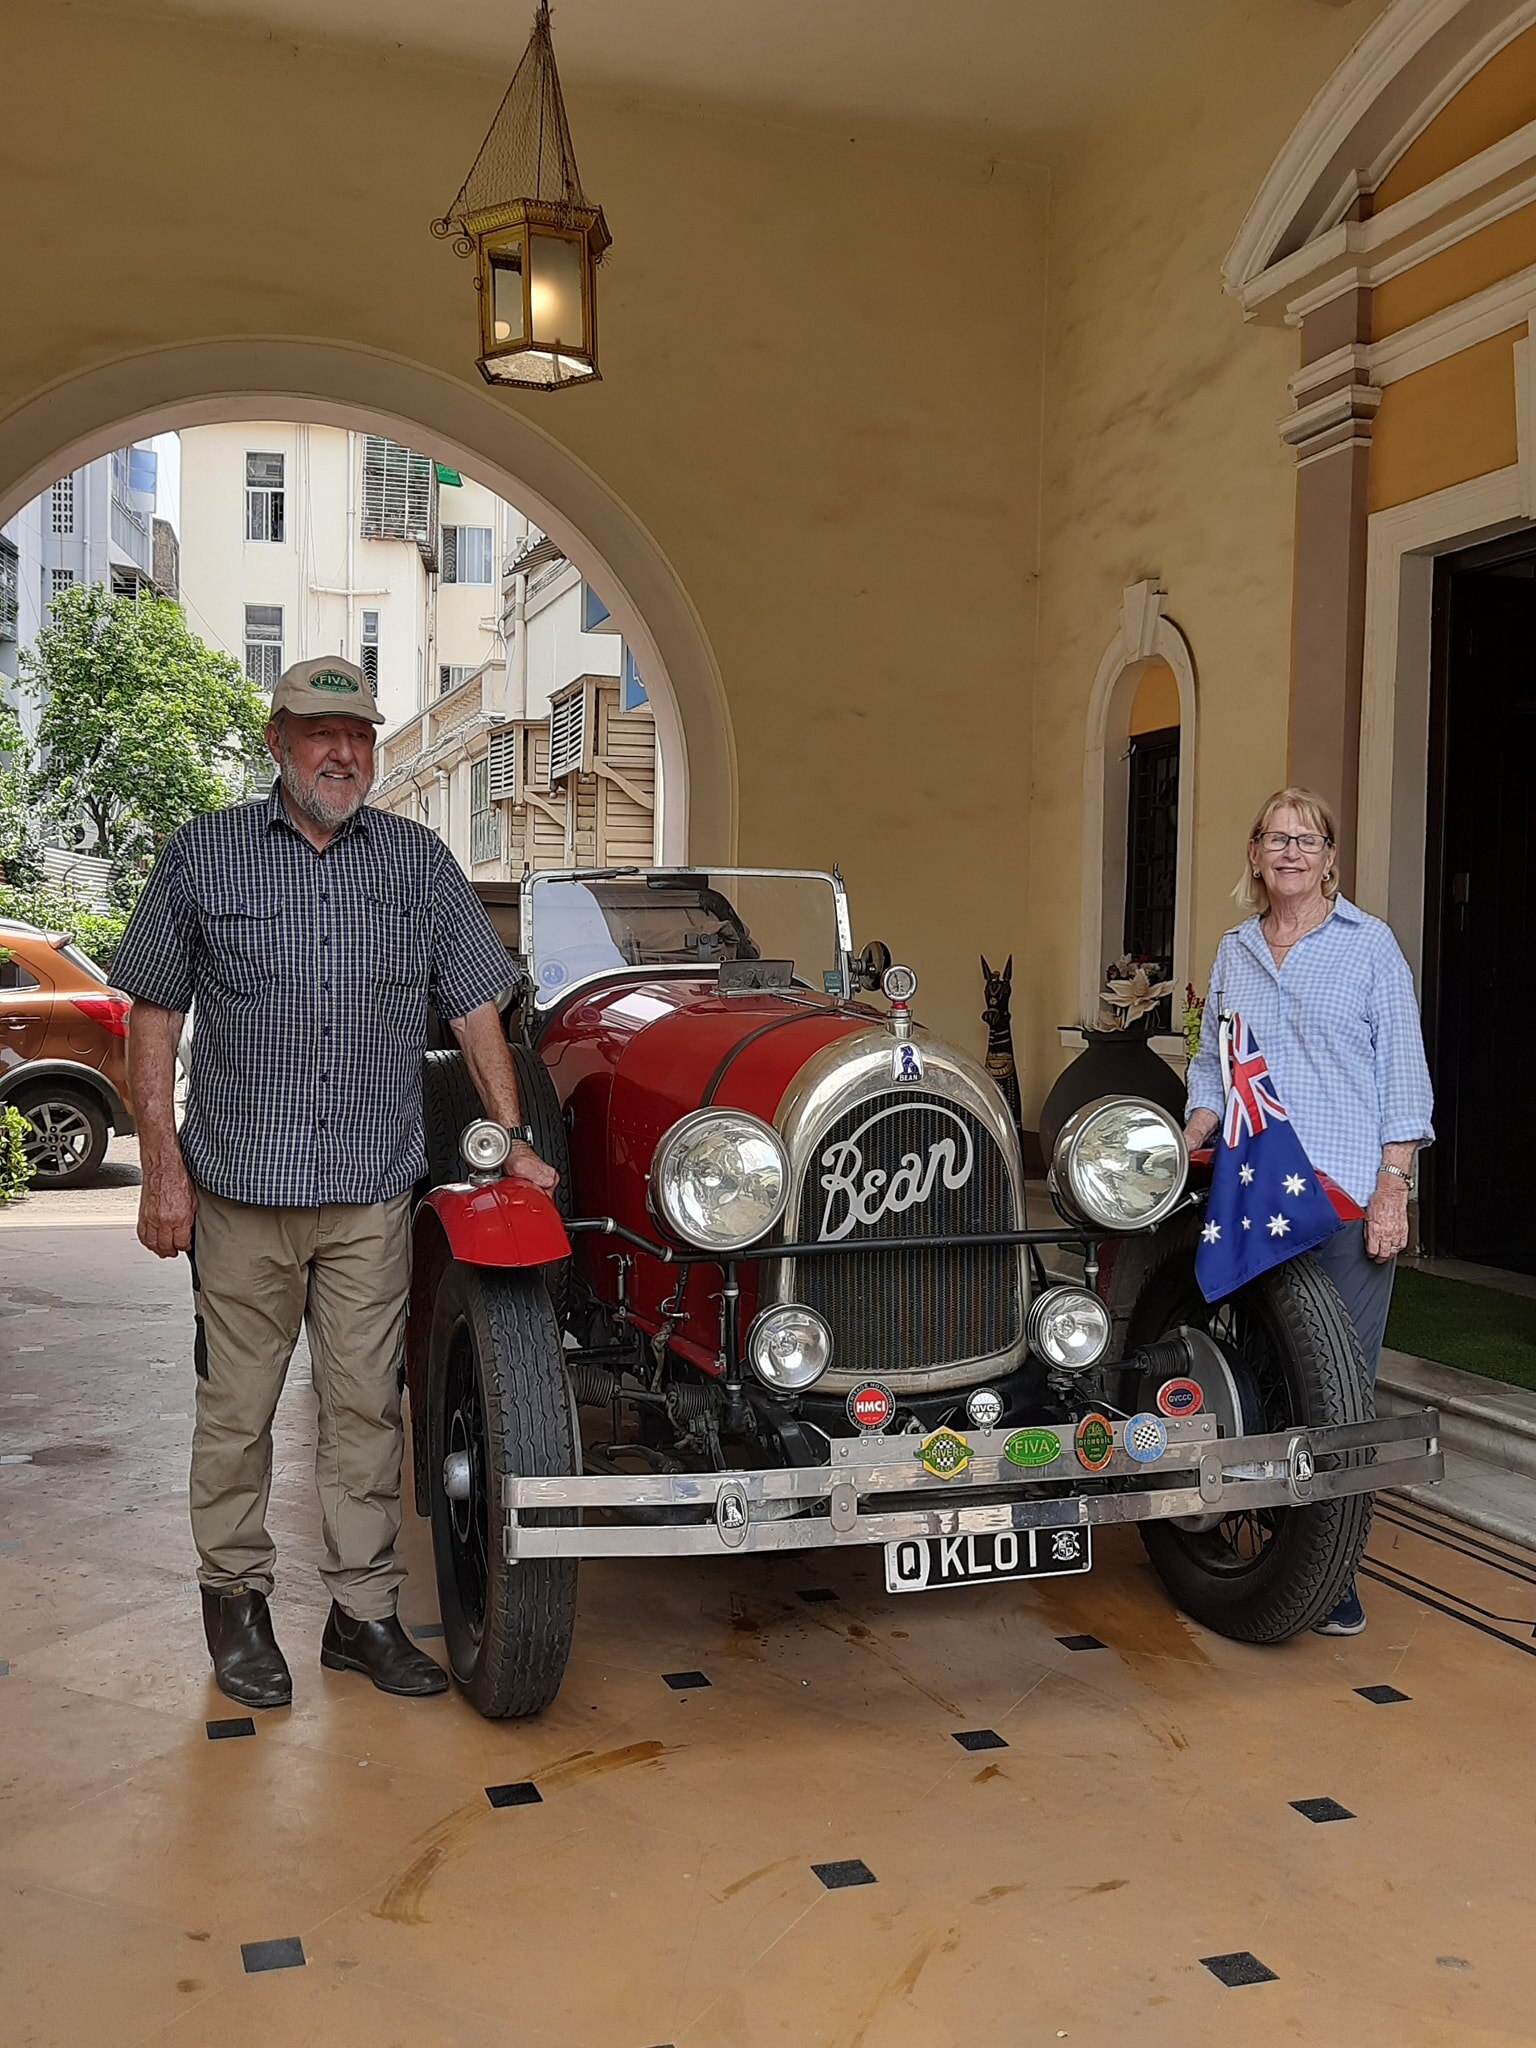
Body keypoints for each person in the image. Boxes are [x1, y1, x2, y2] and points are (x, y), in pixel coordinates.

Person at [113, 657, 560, 1710]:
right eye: (321, 732)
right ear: (279, 740)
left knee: (367, 1410)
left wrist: (512, 1131)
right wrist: (160, 1171)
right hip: (238, 1195)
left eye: (358, 732)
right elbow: (154, 1018)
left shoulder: (416, 861)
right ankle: (236, 1600)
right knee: (239, 1410)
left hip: (368, 1195)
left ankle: (361, 1614)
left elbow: (474, 1008)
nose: (343, 752)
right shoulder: (204, 854)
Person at [1183, 786, 1433, 1638]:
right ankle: (1262, 1549)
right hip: (1255, 1196)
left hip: (1342, 1199)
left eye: (1308, 839)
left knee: (1337, 1393)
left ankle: (1332, 1570)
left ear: (1331, 857)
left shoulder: (1370, 949)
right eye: (1274, 837)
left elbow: (1405, 1078)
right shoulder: (1235, 950)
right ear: (1254, 854)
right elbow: (1214, 1062)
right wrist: (1196, 1122)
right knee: (1259, 1376)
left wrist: (1394, 1186)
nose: (1290, 851)